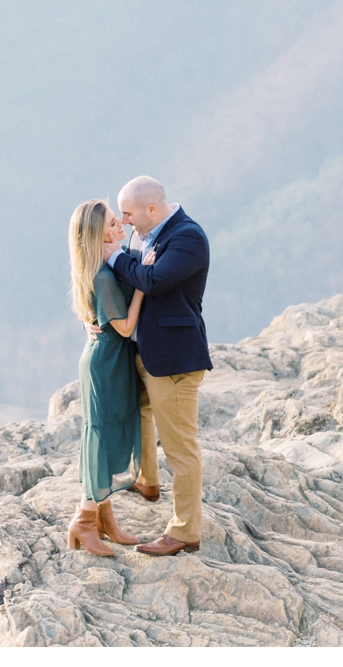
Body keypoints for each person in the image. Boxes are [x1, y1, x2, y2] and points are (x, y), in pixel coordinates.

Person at [106, 176, 212, 557]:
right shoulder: (144, 236)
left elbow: (153, 281)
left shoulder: (188, 238)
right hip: (147, 352)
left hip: (175, 359)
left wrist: (115, 258)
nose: (125, 222)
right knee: (140, 414)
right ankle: (148, 480)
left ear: (152, 209)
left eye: (129, 214)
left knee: (181, 448)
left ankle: (185, 532)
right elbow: (136, 276)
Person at [65, 199, 147, 556]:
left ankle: (105, 519)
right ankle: (84, 521)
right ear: (98, 234)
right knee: (101, 435)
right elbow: (126, 327)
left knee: (106, 433)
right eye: (114, 223)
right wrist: (144, 286)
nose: (122, 227)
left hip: (107, 359)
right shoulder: (101, 275)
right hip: (107, 362)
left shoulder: (98, 267)